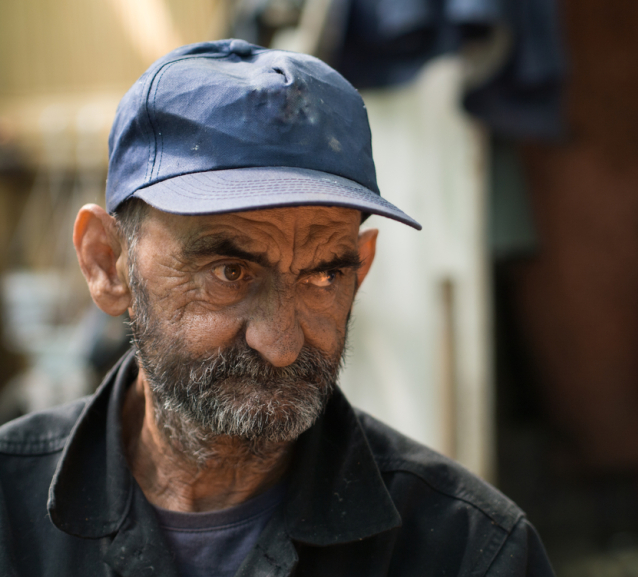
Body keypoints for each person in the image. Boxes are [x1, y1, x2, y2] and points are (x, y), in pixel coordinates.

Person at [0, 40, 554, 577]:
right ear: (107, 261)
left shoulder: (469, 553)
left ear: (360, 268)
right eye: (230, 272)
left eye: (323, 275)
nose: (282, 343)